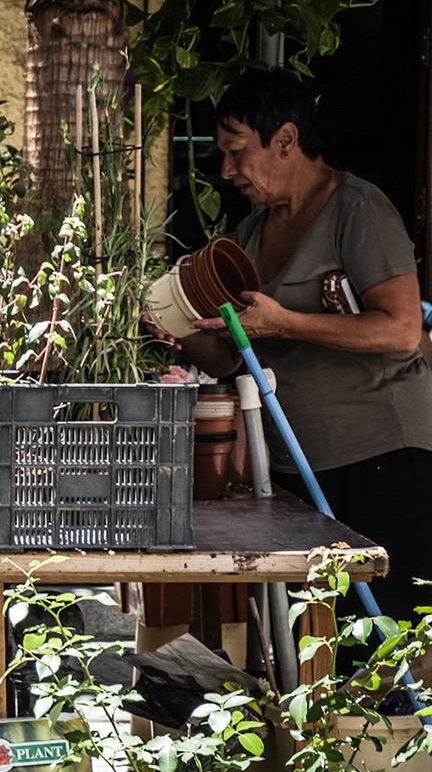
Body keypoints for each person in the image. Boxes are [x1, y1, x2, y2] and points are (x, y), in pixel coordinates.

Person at [168, 69, 432, 622]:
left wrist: (286, 323)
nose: (227, 170)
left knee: (384, 639)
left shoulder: (357, 210)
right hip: (293, 468)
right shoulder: (250, 233)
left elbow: (403, 329)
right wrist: (176, 327)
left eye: (237, 151)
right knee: (313, 643)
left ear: (285, 140)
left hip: (379, 459)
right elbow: (230, 355)